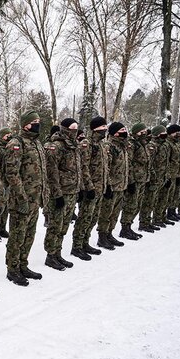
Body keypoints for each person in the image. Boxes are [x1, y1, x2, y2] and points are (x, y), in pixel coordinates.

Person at [3, 110, 48, 286]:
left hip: (35, 198)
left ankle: (23, 264)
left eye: (38, 120)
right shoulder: (16, 143)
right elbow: (12, 174)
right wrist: (21, 199)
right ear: (25, 124)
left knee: (29, 234)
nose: (38, 123)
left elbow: (42, 172)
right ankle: (12, 269)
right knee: (17, 236)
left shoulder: (37, 143)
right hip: (21, 200)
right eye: (34, 121)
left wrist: (44, 195)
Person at [43, 118, 83, 271]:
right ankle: (50, 255)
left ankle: (57, 252)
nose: (75, 130)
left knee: (64, 225)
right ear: (65, 129)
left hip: (72, 191)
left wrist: (78, 189)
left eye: (76, 127)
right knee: (55, 225)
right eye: (72, 127)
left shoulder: (74, 146)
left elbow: (77, 169)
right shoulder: (57, 146)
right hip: (60, 193)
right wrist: (57, 194)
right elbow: (51, 172)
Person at [71, 116, 108, 260]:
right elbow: (83, 167)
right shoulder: (87, 144)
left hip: (100, 188)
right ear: (95, 128)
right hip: (89, 189)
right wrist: (89, 187)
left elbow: (104, 168)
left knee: (93, 218)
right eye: (102, 127)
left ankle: (85, 242)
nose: (105, 129)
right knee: (84, 218)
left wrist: (107, 185)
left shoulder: (101, 145)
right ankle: (77, 246)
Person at [96, 122, 129, 249]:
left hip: (121, 185)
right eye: (122, 129)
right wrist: (108, 185)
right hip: (112, 186)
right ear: (115, 132)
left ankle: (109, 233)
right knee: (106, 213)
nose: (125, 131)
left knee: (115, 213)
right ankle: (102, 236)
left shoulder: (122, 146)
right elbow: (106, 168)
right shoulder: (109, 147)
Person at [119, 123, 150, 240]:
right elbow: (129, 163)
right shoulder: (132, 144)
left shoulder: (143, 144)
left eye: (145, 131)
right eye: (141, 131)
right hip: (135, 179)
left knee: (137, 204)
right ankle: (125, 228)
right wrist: (130, 181)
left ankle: (129, 226)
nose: (144, 133)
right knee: (130, 204)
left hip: (142, 178)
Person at [0, 127, 12, 242]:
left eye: (10, 134)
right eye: (6, 135)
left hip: (8, 182)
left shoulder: (9, 148)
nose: (9, 136)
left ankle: (2, 228)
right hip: (0, 183)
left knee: (6, 207)